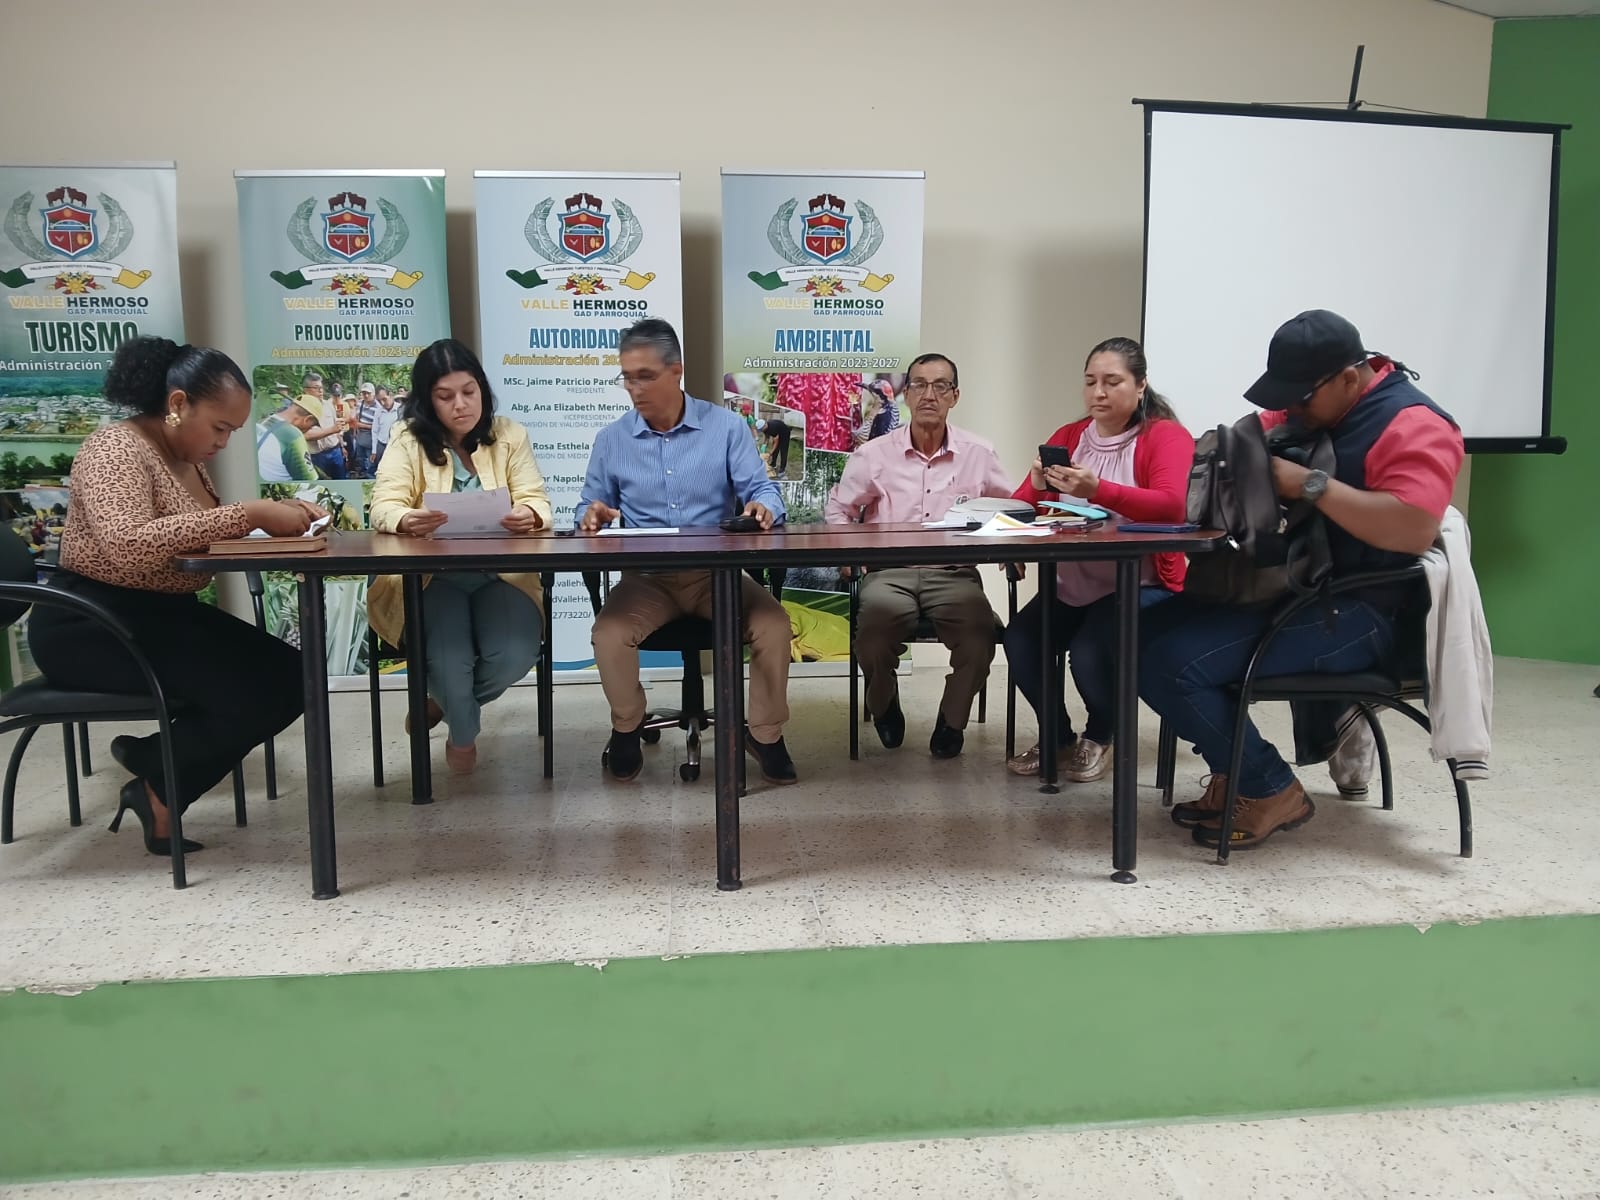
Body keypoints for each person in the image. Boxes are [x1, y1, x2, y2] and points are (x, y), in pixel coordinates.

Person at [1140, 309, 1464, 849]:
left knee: (1175, 663)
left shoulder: (1415, 425)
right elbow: (1251, 442)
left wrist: (1311, 485)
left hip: (1368, 612)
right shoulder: (1312, 410)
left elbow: (1413, 529)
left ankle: (1267, 786)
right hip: (1301, 592)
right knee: (1135, 630)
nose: (1289, 409)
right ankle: (1236, 771)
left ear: (1349, 378)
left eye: (1300, 398)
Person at [27, 337, 319, 856]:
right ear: (179, 403)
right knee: (253, 692)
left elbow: (189, 536)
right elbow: (127, 544)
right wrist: (248, 515)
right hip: (92, 624)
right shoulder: (114, 449)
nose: (224, 442)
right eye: (220, 427)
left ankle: (154, 771)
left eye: (232, 432)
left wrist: (275, 528)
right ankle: (158, 784)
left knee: (297, 676)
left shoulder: (181, 455)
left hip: (159, 615)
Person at [578, 317, 796, 784]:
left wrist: (764, 506)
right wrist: (592, 514)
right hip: (647, 580)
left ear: (676, 371)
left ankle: (765, 733)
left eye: (645, 376)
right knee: (608, 634)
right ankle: (627, 726)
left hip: (716, 576)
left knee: (774, 626)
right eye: (627, 377)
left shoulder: (726, 428)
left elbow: (762, 489)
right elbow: (589, 506)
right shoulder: (612, 440)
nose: (634, 389)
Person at [1005, 337, 1194, 780]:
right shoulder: (1070, 437)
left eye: (1112, 382)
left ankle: (1101, 734)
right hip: (1074, 583)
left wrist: (1098, 491)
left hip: (1141, 583)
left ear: (1141, 385)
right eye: (1090, 382)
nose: (1098, 393)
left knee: (1090, 652)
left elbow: (1173, 506)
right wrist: (1035, 487)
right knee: (1022, 642)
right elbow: (1022, 506)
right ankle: (1057, 737)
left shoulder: (1165, 435)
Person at [368, 339, 551, 775]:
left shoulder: (509, 435)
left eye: (469, 391)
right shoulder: (407, 439)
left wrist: (529, 514)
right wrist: (406, 519)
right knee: (449, 662)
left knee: (514, 655)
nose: (461, 405)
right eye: (445, 396)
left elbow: (537, 499)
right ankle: (463, 733)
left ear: (482, 388)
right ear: (427, 401)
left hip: (501, 574)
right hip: (430, 577)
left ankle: (445, 704)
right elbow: (383, 505)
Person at [825, 352, 1012, 758]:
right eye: (920, 385)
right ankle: (884, 703)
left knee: (979, 638)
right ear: (907, 395)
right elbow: (839, 509)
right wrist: (847, 552)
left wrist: (1009, 547)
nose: (930, 395)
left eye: (941, 386)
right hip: (889, 573)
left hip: (954, 574)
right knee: (872, 635)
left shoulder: (979, 452)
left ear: (955, 396)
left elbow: (1009, 510)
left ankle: (952, 719)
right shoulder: (874, 454)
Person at [255, 393, 321, 482]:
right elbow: (310, 481)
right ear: (307, 419)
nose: (309, 429)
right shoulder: (293, 436)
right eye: (312, 426)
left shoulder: (263, 421)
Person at [300, 371, 347, 479]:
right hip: (316, 456)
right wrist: (331, 430)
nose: (320, 391)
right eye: (316, 388)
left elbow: (337, 426)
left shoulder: (328, 405)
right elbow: (305, 435)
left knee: (341, 480)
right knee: (321, 482)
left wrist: (342, 447)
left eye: (321, 387)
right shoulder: (301, 409)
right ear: (306, 390)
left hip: (335, 451)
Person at [855, 378, 901, 446]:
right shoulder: (885, 407)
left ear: (882, 396)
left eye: (875, 391)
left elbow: (873, 440)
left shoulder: (884, 413)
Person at [350, 381, 377, 477]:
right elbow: (356, 418)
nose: (366, 395)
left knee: (371, 462)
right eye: (364, 393)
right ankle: (362, 474)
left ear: (373, 393)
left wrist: (362, 425)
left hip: (371, 437)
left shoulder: (378, 407)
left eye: (368, 393)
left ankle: (370, 477)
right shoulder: (360, 404)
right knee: (360, 459)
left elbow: (379, 426)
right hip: (360, 436)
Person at [369, 386, 398, 472]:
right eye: (379, 401)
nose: (382, 403)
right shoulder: (378, 412)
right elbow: (375, 431)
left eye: (384, 399)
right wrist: (374, 451)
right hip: (381, 445)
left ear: (391, 395)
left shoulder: (401, 410)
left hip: (396, 446)